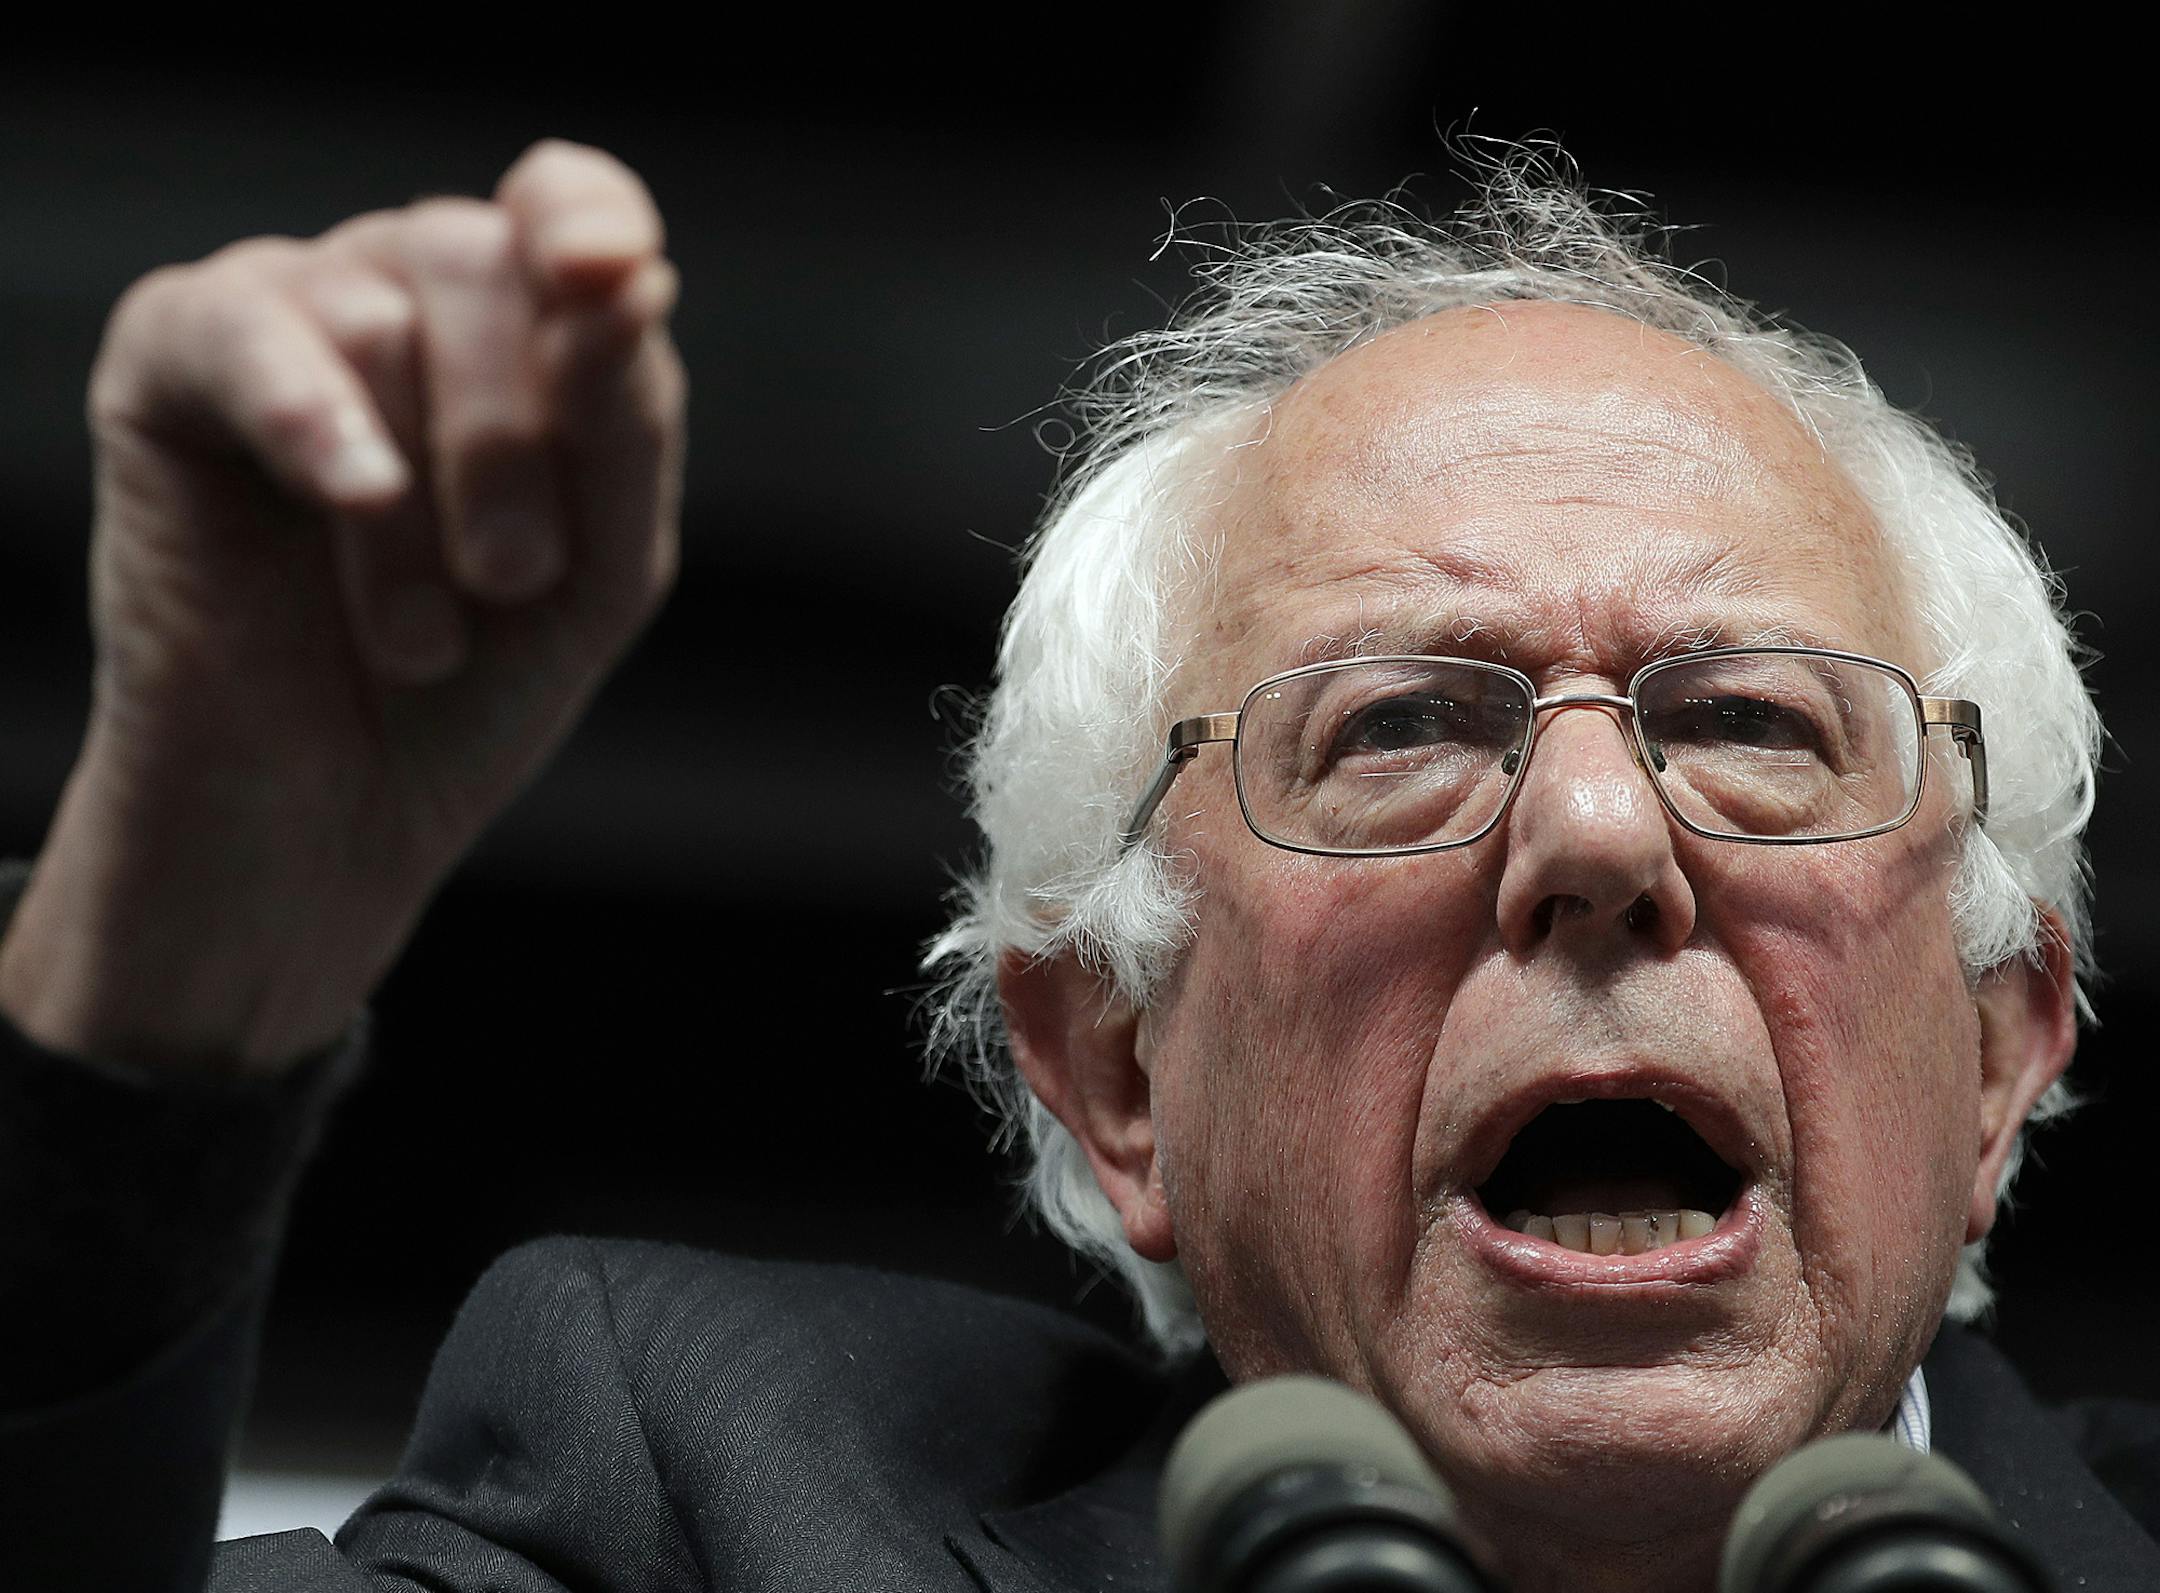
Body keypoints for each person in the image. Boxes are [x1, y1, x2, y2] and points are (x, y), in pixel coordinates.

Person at [0, 138, 2151, 1592]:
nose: (1597, 839)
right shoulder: (706, 1504)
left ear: (1996, 1044)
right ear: (1117, 1067)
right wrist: (169, 973)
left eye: (1755, 724)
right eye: (1400, 726)